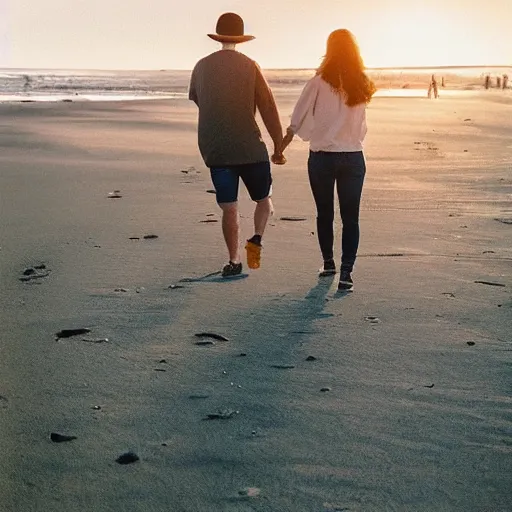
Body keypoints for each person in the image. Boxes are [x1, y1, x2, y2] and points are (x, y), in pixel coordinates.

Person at [189, 13, 285, 277]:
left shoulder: (201, 66)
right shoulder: (251, 66)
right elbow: (267, 107)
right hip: (250, 148)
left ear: (219, 37)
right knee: (264, 200)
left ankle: (234, 261)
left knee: (229, 207)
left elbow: (198, 99)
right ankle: (256, 239)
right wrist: (278, 146)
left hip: (216, 149)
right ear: (240, 39)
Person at [280, 29, 376, 291]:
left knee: (325, 213)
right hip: (354, 157)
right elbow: (363, 126)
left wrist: (282, 146)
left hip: (322, 157)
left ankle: (329, 263)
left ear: (329, 49)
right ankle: (346, 273)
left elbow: (298, 116)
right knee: (351, 218)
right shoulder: (361, 82)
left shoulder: (319, 80)